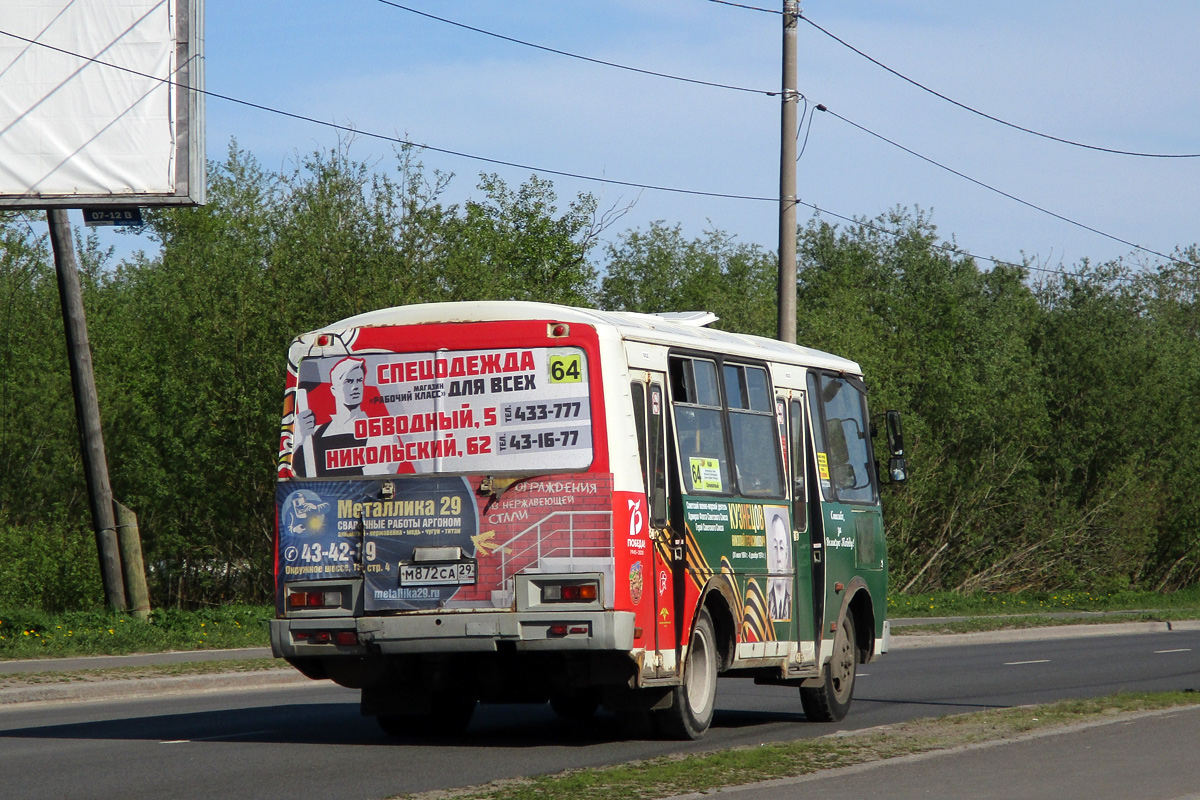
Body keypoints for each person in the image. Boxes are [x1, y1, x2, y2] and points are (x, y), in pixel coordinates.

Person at [294, 357, 370, 476]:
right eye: (348, 381)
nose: (355, 387)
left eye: (359, 380)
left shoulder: (378, 430)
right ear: (334, 390)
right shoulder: (315, 432)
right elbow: (295, 474)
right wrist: (298, 439)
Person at [766, 511, 792, 621]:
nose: (778, 559)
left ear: (786, 555)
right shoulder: (766, 601)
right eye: (775, 548)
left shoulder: (791, 602)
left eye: (781, 548)